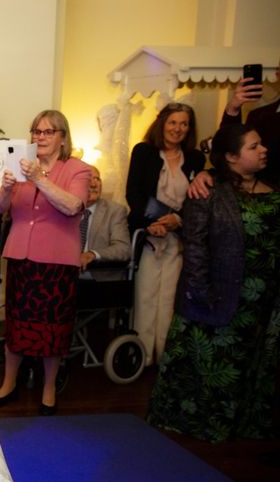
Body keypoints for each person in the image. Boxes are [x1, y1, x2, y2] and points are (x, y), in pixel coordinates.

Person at [147, 123, 278, 442]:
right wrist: (202, 293)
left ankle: (245, 425)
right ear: (231, 157)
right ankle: (205, 426)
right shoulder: (208, 192)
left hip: (262, 302)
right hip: (218, 296)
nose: (263, 150)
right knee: (212, 365)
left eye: (261, 145)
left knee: (250, 363)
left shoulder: (273, 188)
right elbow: (195, 247)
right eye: (254, 146)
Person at [0, 110, 90, 416]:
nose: (40, 137)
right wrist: (7, 188)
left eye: (47, 132)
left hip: (57, 262)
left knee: (52, 329)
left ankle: (48, 389)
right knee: (17, 324)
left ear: (62, 137)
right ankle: (8, 383)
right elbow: (1, 209)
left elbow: (72, 205)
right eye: (36, 131)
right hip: (20, 256)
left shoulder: (77, 170)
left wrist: (38, 178)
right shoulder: (20, 167)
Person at [125, 103, 205, 365]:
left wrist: (177, 220)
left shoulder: (194, 159)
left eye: (183, 123)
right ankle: (143, 356)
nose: (177, 128)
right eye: (173, 122)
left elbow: (196, 202)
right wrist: (154, 222)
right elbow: (134, 194)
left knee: (170, 299)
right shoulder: (144, 152)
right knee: (146, 296)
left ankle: (165, 357)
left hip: (178, 239)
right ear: (162, 124)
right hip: (148, 235)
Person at [189, 60, 280, 198]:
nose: (263, 149)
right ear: (278, 74)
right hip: (260, 201)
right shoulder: (260, 116)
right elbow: (231, 147)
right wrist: (233, 107)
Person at [79, 165, 131, 280]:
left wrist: (92, 254)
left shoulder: (115, 211)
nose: (93, 184)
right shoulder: (65, 209)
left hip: (101, 278)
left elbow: (123, 249)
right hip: (66, 277)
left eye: (97, 179)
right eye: (88, 179)